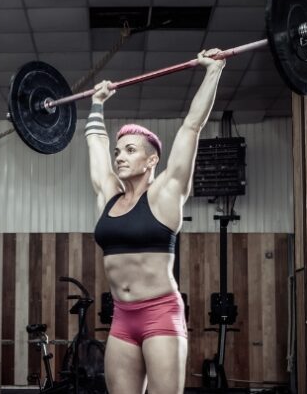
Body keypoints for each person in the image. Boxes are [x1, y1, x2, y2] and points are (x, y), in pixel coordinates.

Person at [86, 48, 226, 394]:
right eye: (119, 151)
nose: (120, 156)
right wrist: (97, 103)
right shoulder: (109, 196)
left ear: (152, 161)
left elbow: (192, 126)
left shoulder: (165, 194)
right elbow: (95, 145)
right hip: (121, 317)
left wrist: (213, 71)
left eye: (130, 150)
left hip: (160, 314)